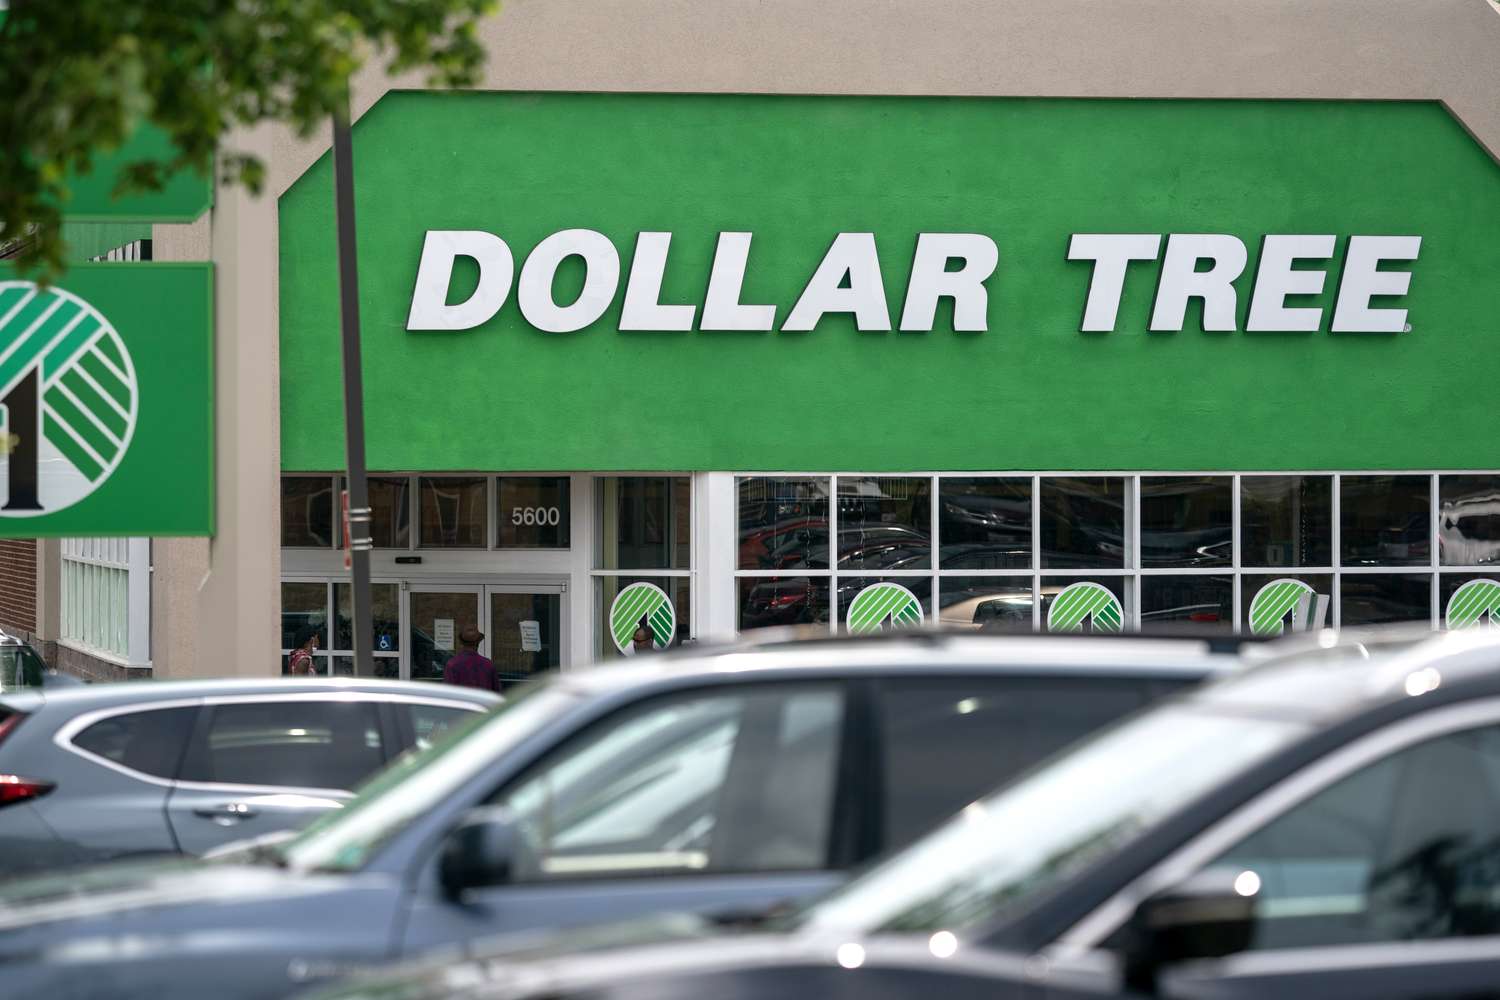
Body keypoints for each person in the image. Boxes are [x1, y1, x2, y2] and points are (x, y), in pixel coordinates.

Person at [443, 624, 502, 692]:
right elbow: (496, 693)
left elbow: (448, 693)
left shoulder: (452, 664)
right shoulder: (488, 665)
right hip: (482, 702)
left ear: (461, 642)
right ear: (478, 643)